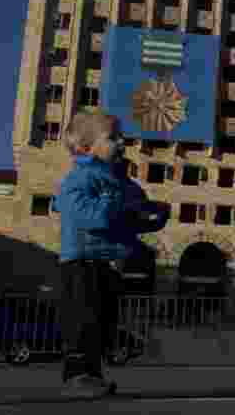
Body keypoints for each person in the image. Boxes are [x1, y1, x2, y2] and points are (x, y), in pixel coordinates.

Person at [53, 108, 169, 399]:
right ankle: (78, 375)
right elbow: (88, 215)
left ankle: (95, 372)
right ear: (85, 147)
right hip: (82, 260)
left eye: (122, 137)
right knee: (83, 321)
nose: (122, 143)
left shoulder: (122, 182)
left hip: (110, 263)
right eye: (113, 138)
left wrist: (153, 217)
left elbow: (130, 216)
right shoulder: (80, 177)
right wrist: (111, 204)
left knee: (103, 320)